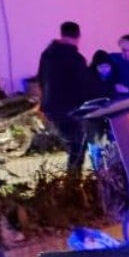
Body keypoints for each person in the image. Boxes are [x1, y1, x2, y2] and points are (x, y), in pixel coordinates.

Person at [37, 21, 89, 175]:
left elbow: (40, 78)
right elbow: (83, 85)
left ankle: (72, 181)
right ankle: (73, 182)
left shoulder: (47, 54)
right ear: (78, 36)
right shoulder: (75, 58)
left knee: (73, 144)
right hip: (70, 108)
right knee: (78, 145)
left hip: (51, 107)